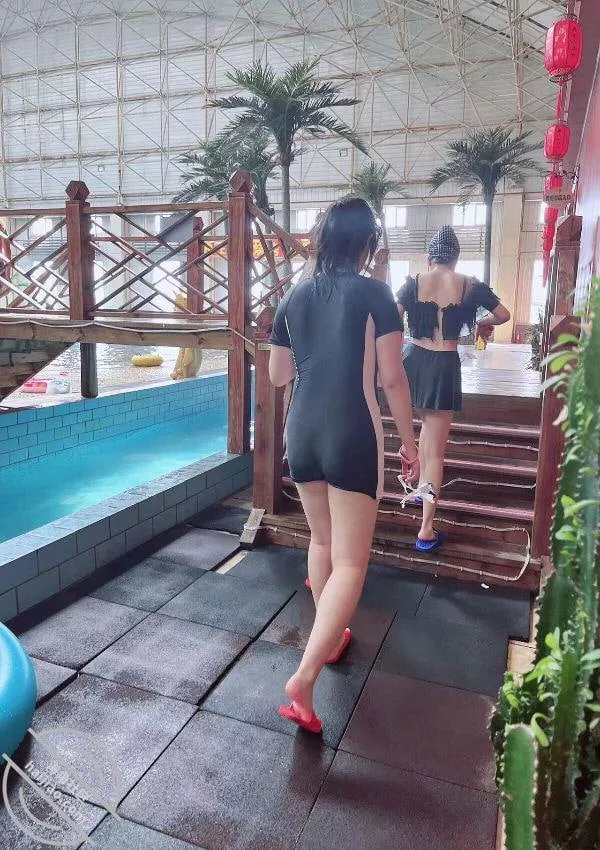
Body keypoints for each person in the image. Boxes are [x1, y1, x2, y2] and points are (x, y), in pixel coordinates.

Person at [269, 197, 419, 734]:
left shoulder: (293, 296)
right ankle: (304, 678)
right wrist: (411, 446)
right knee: (353, 562)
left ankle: (329, 638)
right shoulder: (375, 292)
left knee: (322, 541)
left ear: (323, 241)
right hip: (352, 430)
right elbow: (392, 378)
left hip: (302, 432)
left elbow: (278, 376)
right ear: (365, 245)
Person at [396, 225, 510, 552]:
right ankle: (426, 530)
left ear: (431, 258)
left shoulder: (413, 282)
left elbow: (392, 318)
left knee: (426, 431)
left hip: (412, 360)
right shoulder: (469, 284)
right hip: (443, 365)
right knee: (435, 452)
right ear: (456, 258)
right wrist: (482, 322)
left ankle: (422, 491)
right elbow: (503, 315)